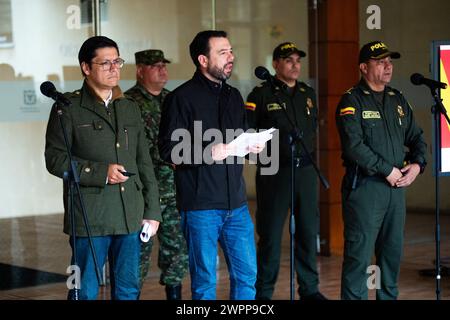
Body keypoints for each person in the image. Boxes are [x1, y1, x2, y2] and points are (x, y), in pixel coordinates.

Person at [45, 36, 162, 300]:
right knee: (82, 291)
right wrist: (100, 172)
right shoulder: (68, 108)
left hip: (129, 216)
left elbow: (144, 162)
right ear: (86, 68)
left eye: (117, 61)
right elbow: (54, 160)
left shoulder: (129, 107)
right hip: (90, 217)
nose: (114, 68)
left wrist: (153, 211)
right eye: (105, 63)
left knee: (128, 291)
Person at [158, 30, 264, 300]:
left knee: (247, 277)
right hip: (201, 207)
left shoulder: (234, 96)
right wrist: (209, 151)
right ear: (203, 60)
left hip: (237, 206)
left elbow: (240, 140)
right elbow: (168, 150)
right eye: (223, 52)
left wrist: (253, 146)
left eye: (231, 51)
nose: (231, 57)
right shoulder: (180, 98)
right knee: (205, 282)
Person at [336, 41, 427, 300]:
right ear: (364, 68)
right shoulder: (351, 100)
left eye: (390, 61)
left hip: (396, 191)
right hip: (366, 189)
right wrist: (387, 169)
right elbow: (354, 146)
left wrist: (417, 165)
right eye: (380, 62)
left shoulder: (396, 99)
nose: (388, 66)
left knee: (391, 257)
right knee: (359, 259)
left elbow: (417, 138)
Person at [245, 42, 327, 300]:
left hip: (304, 170)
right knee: (269, 235)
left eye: (297, 60)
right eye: (288, 60)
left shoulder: (307, 93)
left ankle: (310, 290)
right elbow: (248, 134)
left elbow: (313, 129)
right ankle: (264, 293)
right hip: (274, 172)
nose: (295, 65)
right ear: (276, 64)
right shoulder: (260, 94)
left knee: (307, 231)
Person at [125, 49, 188, 300]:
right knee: (137, 256)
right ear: (140, 70)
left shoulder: (173, 99)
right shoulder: (127, 103)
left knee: (176, 253)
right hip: (143, 194)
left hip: (173, 191)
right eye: (155, 66)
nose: (163, 70)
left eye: (164, 65)